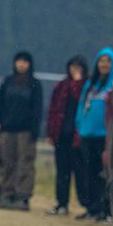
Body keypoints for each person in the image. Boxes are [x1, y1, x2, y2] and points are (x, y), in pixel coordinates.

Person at [0, 51, 43, 211]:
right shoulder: (7, 82)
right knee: (7, 163)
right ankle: (7, 193)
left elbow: (37, 109)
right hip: (7, 130)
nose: (22, 64)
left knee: (25, 164)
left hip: (25, 131)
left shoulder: (34, 84)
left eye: (25, 62)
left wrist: (35, 130)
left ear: (29, 64)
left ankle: (23, 196)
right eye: (19, 61)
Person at [75, 47, 113, 221]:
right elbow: (81, 105)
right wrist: (79, 125)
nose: (104, 64)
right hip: (87, 135)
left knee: (104, 174)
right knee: (89, 172)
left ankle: (106, 208)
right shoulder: (91, 84)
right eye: (101, 61)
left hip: (105, 136)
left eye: (108, 61)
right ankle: (92, 207)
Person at [45, 55, 88, 216]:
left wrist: (77, 83)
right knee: (62, 171)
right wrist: (50, 132)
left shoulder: (86, 86)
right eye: (72, 67)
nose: (75, 70)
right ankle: (61, 203)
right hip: (62, 134)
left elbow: (81, 99)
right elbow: (53, 110)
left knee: (81, 172)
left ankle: (87, 204)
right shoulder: (61, 86)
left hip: (79, 136)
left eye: (78, 67)